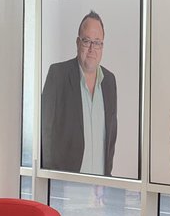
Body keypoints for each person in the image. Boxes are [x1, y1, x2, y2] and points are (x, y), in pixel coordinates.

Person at [41, 11, 117, 176]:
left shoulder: (109, 81)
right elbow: (44, 133)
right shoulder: (58, 75)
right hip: (64, 184)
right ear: (77, 42)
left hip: (100, 185)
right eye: (86, 41)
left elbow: (111, 139)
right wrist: (51, 181)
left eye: (97, 43)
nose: (91, 49)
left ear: (102, 46)